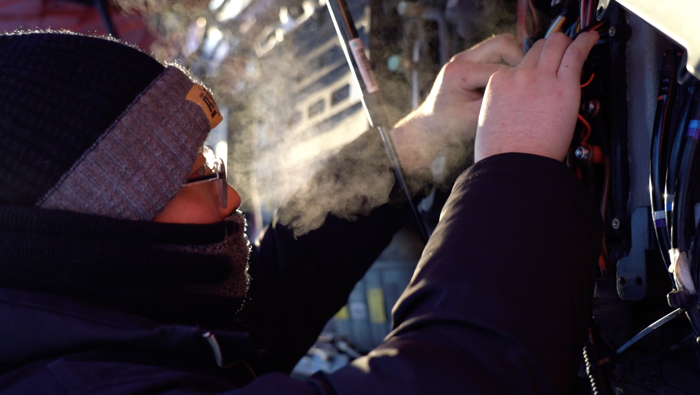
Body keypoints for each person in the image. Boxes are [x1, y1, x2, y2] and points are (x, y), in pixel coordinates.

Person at [0, 29, 601, 395]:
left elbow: (261, 309)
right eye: (194, 176)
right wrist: (514, 166)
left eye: (210, 158)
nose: (231, 198)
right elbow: (463, 383)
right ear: (97, 231)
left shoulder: (80, 316)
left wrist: (419, 136)